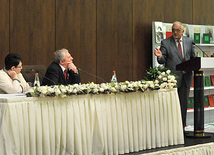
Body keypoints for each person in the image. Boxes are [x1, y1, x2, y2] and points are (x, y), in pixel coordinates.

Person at [154, 21, 196, 130]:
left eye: (177, 30)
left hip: (186, 77)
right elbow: (162, 60)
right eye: (173, 30)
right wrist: (159, 56)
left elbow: (193, 58)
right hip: (173, 79)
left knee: (183, 105)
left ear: (182, 31)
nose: (175, 32)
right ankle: (171, 129)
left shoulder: (189, 42)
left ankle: (181, 129)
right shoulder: (166, 42)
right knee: (171, 105)